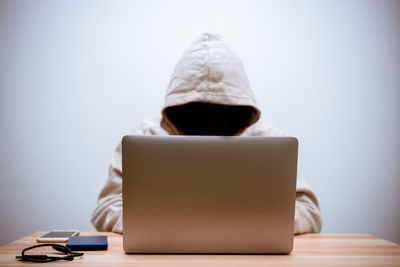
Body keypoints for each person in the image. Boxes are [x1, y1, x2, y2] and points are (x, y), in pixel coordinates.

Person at [91, 33, 322, 234]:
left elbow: (308, 211)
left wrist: (246, 226)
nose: (210, 122)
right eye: (198, 111)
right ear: (178, 108)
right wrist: (163, 226)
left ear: (241, 109)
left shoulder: (268, 140)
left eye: (220, 111)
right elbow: (106, 207)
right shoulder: (146, 136)